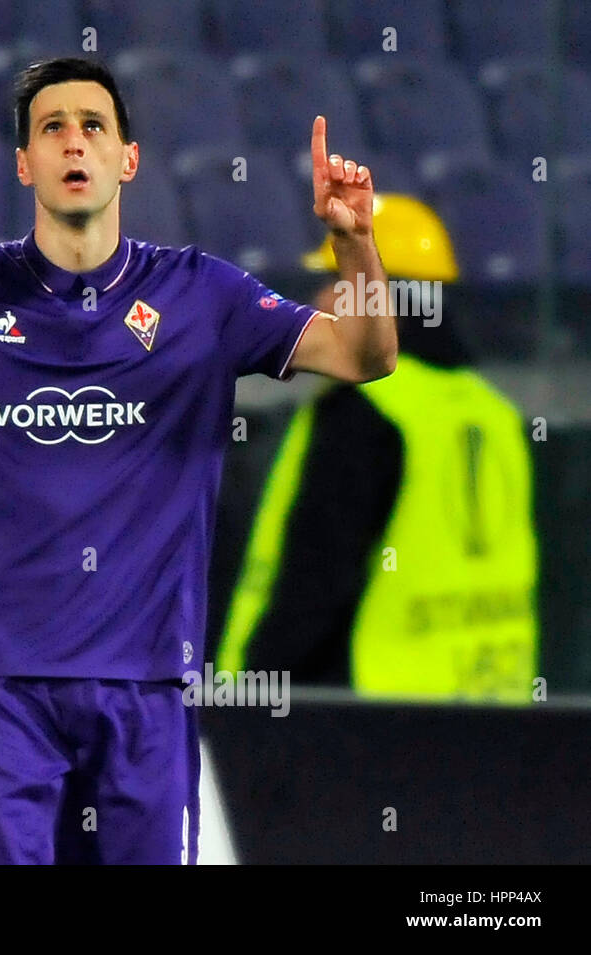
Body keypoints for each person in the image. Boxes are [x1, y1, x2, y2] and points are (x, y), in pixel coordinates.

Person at [0, 57, 394, 864]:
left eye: (93, 125)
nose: (72, 142)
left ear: (128, 157)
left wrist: (357, 245)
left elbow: (365, 356)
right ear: (25, 164)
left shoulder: (204, 296)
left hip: (148, 689)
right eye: (51, 128)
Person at [217, 194, 538, 702]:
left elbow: (315, 585)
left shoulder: (364, 413)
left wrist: (248, 693)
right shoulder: (492, 412)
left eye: (335, 281)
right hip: (492, 710)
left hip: (366, 724)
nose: (318, 302)